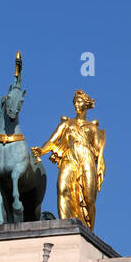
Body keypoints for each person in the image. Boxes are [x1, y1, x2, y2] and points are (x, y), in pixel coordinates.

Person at [33, 89, 105, 229]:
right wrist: (41, 150)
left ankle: (89, 230)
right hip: (70, 157)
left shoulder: (92, 127)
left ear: (86, 104)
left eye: (79, 101)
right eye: (75, 102)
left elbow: (98, 149)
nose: (76, 104)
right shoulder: (67, 124)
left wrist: (101, 163)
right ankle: (65, 227)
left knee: (89, 198)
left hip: (87, 158)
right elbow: (52, 141)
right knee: (62, 189)